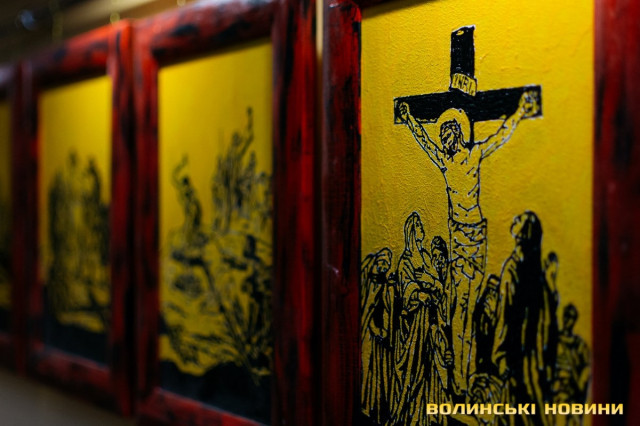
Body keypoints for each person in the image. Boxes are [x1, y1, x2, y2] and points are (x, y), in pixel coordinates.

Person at [398, 90, 539, 392]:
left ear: (458, 134)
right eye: (442, 135)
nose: (444, 140)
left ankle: (468, 374)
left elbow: (499, 137)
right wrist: (409, 119)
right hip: (458, 236)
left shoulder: (473, 156)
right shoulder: (446, 163)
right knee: (456, 308)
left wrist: (518, 113)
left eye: (448, 134)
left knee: (470, 308)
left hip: (476, 237)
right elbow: (424, 141)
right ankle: (457, 380)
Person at [492, 211, 558, 426]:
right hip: (528, 361)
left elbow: (505, 315)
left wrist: (501, 355)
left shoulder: (515, 270)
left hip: (520, 360)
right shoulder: (531, 273)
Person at [390, 212, 442, 425]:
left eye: (421, 225)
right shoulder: (406, 261)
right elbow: (407, 289)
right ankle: (408, 415)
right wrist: (420, 293)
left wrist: (431, 283)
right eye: (418, 226)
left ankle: (423, 417)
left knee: (426, 368)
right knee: (411, 371)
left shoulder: (426, 257)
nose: (422, 229)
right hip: (412, 326)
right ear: (412, 232)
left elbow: (436, 281)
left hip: (427, 321)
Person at [361, 248, 393, 424]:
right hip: (369, 335)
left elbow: (384, 309)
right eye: (381, 262)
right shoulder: (368, 282)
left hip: (376, 337)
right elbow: (367, 308)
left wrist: (382, 330)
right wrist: (375, 329)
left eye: (386, 265)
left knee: (376, 374)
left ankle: (372, 408)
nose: (383, 267)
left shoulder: (383, 285)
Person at [553, 304, 590, 426]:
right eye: (566, 316)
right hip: (557, 391)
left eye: (571, 317)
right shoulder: (554, 340)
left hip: (573, 392)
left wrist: (580, 383)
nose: (568, 320)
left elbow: (587, 367)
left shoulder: (579, 344)